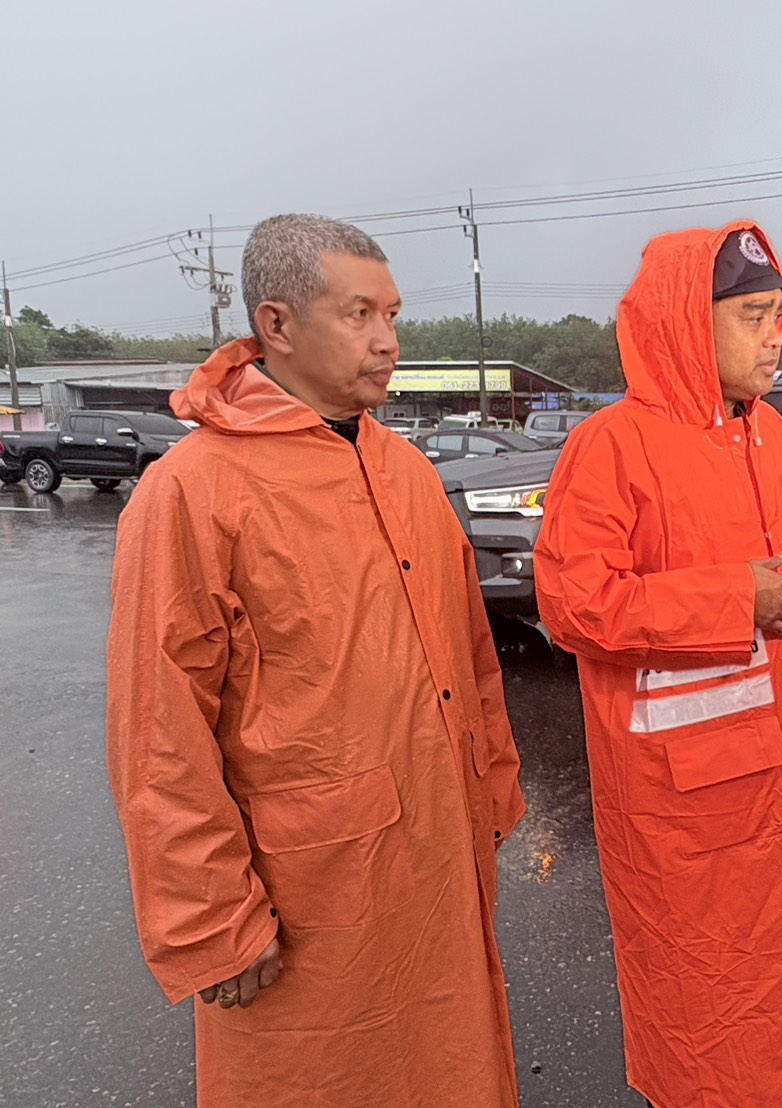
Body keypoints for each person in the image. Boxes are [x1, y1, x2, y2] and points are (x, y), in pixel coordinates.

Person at [106, 215, 526, 1107]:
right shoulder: (193, 491)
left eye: (393, 315)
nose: (388, 341)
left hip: (437, 860)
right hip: (307, 896)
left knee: (451, 1065)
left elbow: (470, 658)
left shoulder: (405, 470)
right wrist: (212, 920)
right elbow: (158, 730)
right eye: (359, 314)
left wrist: (490, 786)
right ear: (278, 324)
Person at [533, 222, 782, 1108]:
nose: (774, 336)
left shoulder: (772, 440)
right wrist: (729, 602)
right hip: (683, 804)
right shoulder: (613, 445)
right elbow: (574, 602)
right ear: (687, 322)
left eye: (778, 317)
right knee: (706, 1014)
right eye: (753, 316)